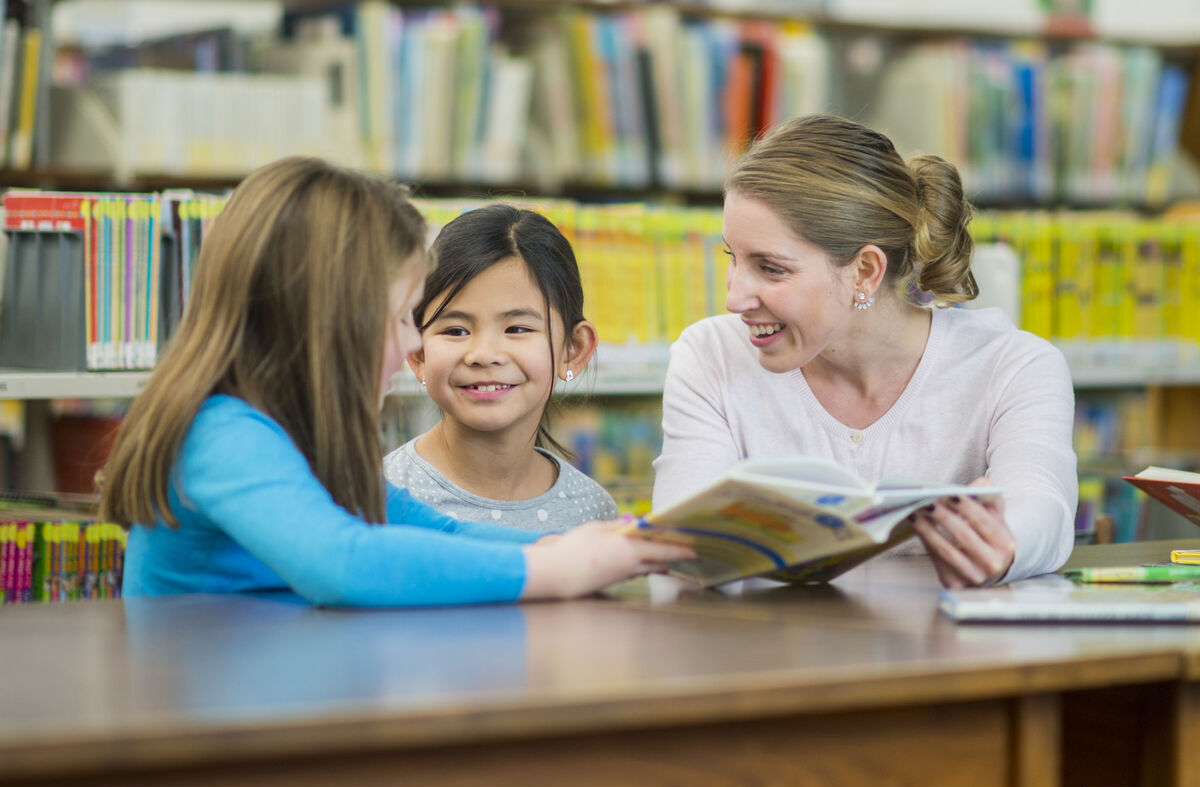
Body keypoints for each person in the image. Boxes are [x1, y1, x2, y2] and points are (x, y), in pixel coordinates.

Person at [100, 157, 691, 606]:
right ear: (331, 321)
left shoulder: (301, 441)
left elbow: (435, 530)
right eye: (402, 318)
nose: (414, 344)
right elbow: (342, 562)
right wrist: (558, 569)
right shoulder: (221, 435)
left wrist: (587, 547)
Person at [653, 114, 1077, 588]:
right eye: (733, 258)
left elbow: (1044, 507)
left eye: (770, 268)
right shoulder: (710, 355)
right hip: (766, 652)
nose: (734, 299)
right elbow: (680, 543)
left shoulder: (1014, 367)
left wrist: (1003, 542)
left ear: (866, 272)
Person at [384, 204, 618, 531]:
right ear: (418, 354)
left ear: (573, 350)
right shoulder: (377, 497)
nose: (484, 354)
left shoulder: (594, 514)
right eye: (456, 331)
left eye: (517, 329)